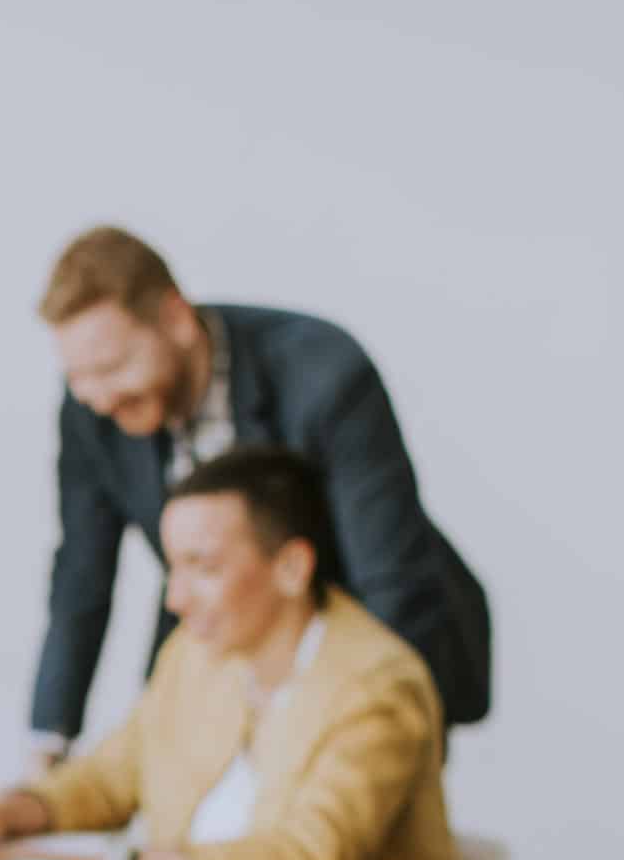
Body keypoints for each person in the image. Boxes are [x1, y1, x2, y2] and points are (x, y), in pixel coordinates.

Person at [0, 445, 462, 860]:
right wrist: (6, 816)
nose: (176, 598)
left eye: (203, 567)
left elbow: (309, 857)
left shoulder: (377, 682)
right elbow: (112, 776)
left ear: (291, 568)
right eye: (173, 567)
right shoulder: (197, 654)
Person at [24, 226, 491, 773]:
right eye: (78, 377)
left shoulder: (325, 374)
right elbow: (82, 573)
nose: (99, 397)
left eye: (111, 368)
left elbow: (392, 583)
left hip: (360, 628)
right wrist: (49, 743)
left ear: (176, 320)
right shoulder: (92, 410)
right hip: (222, 643)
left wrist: (376, 732)